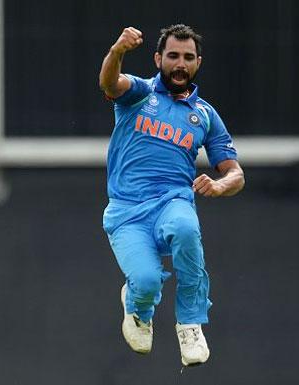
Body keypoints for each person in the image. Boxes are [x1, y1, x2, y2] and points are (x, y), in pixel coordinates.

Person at [99, 24, 245, 366]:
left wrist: (220, 185)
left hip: (173, 200)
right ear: (158, 58)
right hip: (127, 211)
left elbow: (235, 172)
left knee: (185, 228)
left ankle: (190, 322)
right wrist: (118, 50)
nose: (181, 64)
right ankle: (138, 308)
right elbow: (108, 83)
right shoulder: (139, 93)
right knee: (147, 280)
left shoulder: (205, 115)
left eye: (188, 57)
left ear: (198, 62)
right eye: (173, 56)